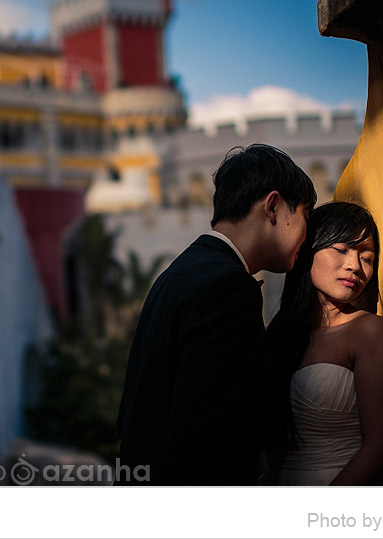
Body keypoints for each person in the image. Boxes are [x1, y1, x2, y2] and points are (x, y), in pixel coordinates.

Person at [115, 144, 316, 485]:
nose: (307, 237)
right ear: (273, 206)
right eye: (305, 217)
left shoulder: (181, 271)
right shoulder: (228, 288)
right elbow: (213, 438)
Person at [262, 202, 383, 485]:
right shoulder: (278, 333)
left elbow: (381, 446)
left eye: (367, 257)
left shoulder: (369, 331)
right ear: (308, 250)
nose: (354, 266)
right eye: (341, 249)